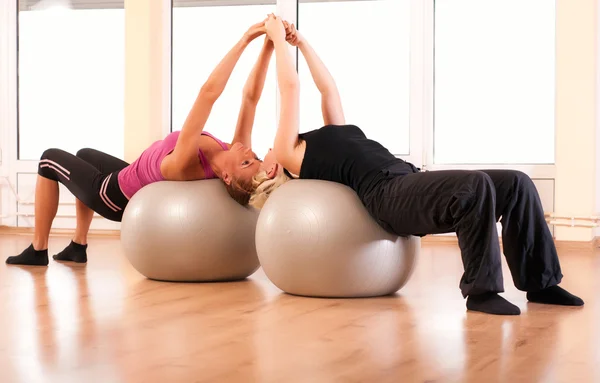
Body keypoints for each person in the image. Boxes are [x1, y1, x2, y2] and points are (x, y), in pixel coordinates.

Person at [253, 15, 584, 315]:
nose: (262, 152)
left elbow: (327, 89)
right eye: (257, 159)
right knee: (475, 185)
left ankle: (542, 284)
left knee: (517, 183)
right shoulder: (288, 151)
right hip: (388, 195)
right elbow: (290, 87)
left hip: (408, 179)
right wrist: (277, 40)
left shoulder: (327, 135)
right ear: (272, 170)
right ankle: (481, 292)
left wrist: (302, 43)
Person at [6, 20, 274, 266]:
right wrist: (268, 45)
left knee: (48, 158)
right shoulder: (231, 150)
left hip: (114, 197)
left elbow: (208, 94)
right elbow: (250, 98)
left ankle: (38, 249)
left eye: (246, 162)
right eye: (254, 156)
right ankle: (78, 245)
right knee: (84, 154)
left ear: (226, 177)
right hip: (129, 172)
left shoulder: (184, 163)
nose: (248, 150)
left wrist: (246, 38)